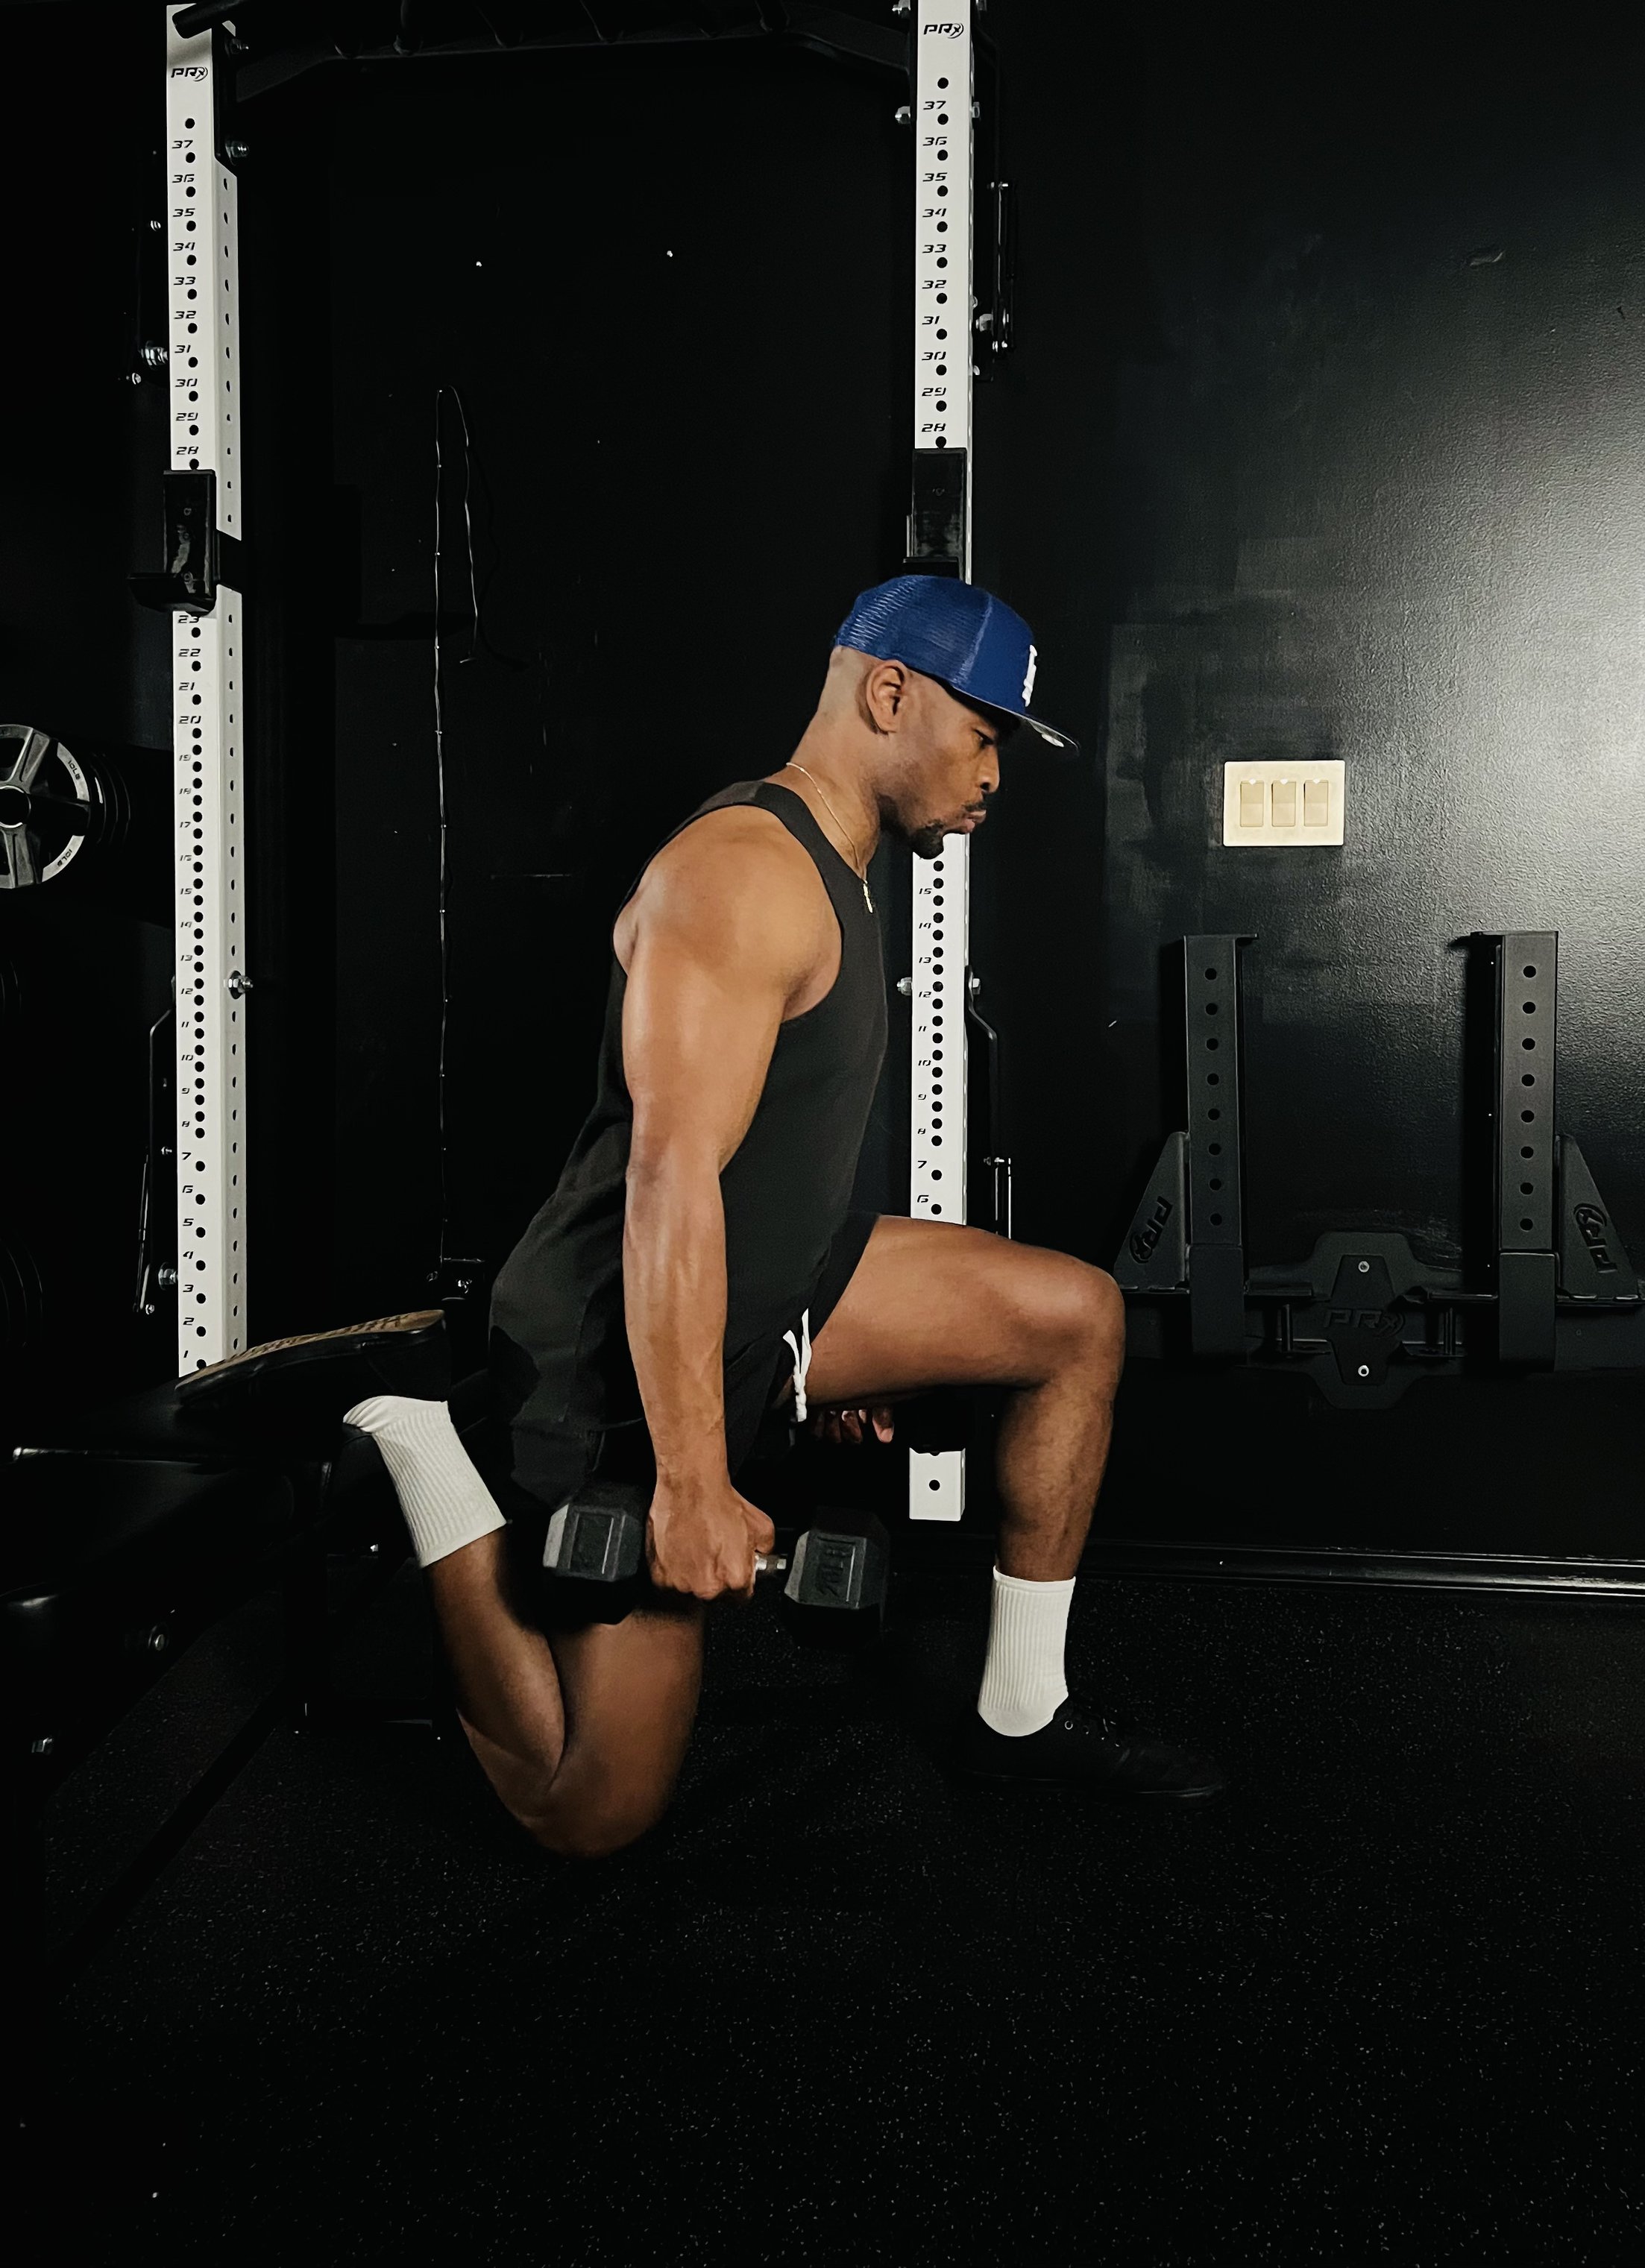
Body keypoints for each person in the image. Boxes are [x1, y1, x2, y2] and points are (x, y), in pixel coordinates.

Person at [197, 576, 1227, 1854]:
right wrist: (690, 1479)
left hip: (762, 1301)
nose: (994, 775)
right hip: (608, 1359)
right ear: (889, 693)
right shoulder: (743, 876)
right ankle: (419, 1429)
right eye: (985, 734)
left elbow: (774, 1159)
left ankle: (1020, 1710)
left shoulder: (842, 867)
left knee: (1075, 1316)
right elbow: (671, 1177)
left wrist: (831, 1339)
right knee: (592, 1808)